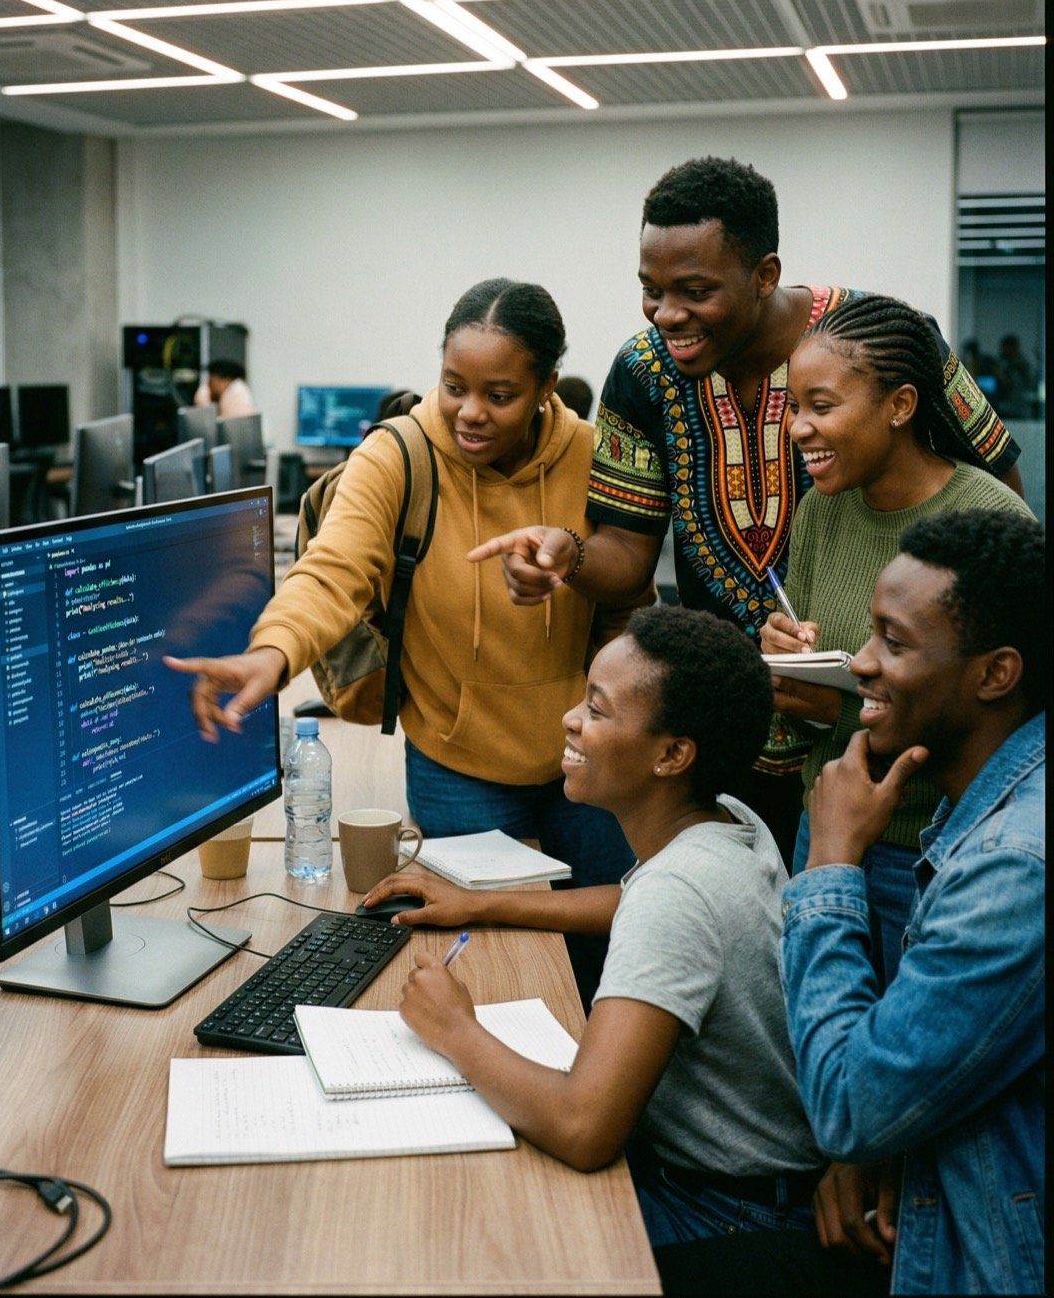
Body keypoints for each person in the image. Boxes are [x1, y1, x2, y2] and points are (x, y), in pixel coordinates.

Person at [469, 156, 1022, 866]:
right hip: (717, 732)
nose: (668, 313)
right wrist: (566, 554)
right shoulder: (641, 372)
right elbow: (627, 554)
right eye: (651, 290)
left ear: (764, 275)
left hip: (875, 738)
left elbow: (995, 490)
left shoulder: (878, 339)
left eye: (695, 290)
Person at [167, 279, 637, 1000]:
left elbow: (630, 582)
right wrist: (272, 650)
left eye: (500, 394)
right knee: (495, 977)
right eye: (454, 386)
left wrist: (567, 560)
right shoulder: (401, 455)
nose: (469, 413)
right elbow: (334, 566)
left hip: (589, 765)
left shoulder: (591, 452)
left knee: (606, 967)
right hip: (460, 769)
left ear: (546, 385)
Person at [364, 604, 826, 1248]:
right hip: (760, 1185)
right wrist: (483, 904)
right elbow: (633, 900)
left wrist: (455, 1030)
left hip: (723, 1215)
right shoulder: (726, 822)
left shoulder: (679, 890)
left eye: (598, 711)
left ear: (671, 755)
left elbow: (584, 1131)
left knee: (453, 1229)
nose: (570, 720)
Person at [779, 509, 1045, 1295]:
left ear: (995, 674)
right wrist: (899, 1148)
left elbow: (849, 1104)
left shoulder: (1013, 870)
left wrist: (830, 863)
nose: (860, 663)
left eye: (893, 642)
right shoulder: (989, 809)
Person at [758, 294, 1033, 982]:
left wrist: (843, 707)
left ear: (901, 405)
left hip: (939, 851)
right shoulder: (820, 511)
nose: (798, 428)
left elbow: (1018, 710)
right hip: (827, 830)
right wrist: (792, 667)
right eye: (794, 407)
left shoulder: (989, 518)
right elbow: (835, 684)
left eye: (821, 405)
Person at [994, 331, 1036, 419]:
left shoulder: (1023, 364)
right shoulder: (999, 363)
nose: (1002, 350)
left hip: (1019, 409)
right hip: (1003, 408)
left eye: (1006, 347)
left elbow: (1031, 384)